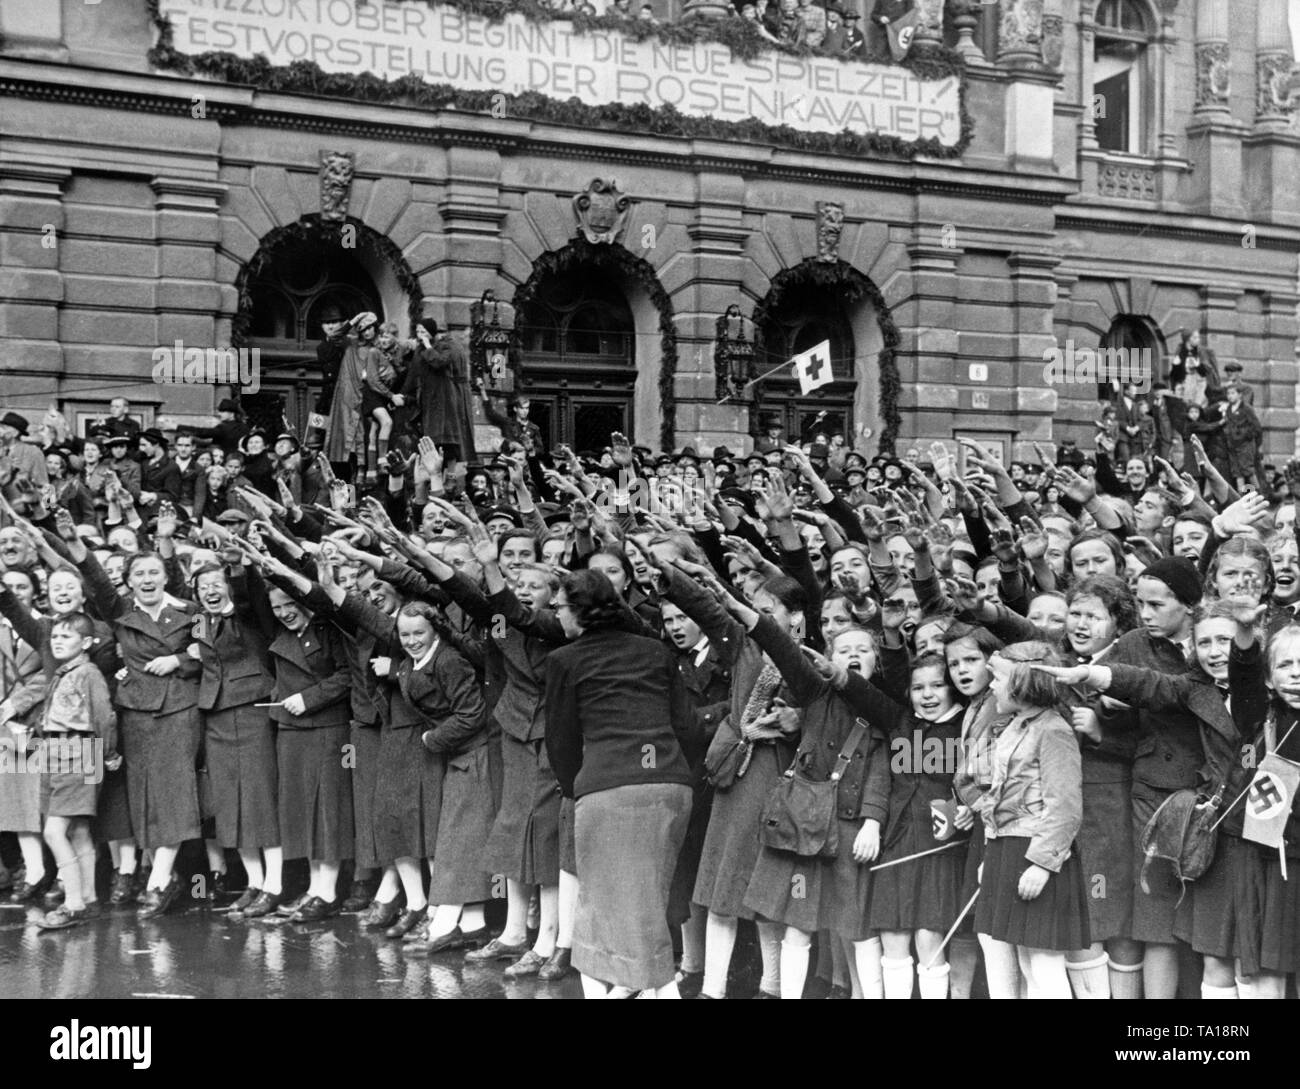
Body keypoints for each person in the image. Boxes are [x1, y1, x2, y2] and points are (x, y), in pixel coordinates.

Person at [544, 569, 694, 998]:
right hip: (671, 788)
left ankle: (653, 990)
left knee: (598, 915)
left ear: (579, 612)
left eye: (559, 609)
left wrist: (579, 787)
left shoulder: (563, 660)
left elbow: (561, 742)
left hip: (609, 793)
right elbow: (685, 725)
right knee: (646, 909)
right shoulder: (655, 651)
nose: (557, 618)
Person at [974, 643, 1088, 998]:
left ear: (1023, 683)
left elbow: (1065, 806)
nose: (991, 686)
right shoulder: (1013, 726)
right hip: (1007, 850)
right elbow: (999, 793)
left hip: (1036, 855)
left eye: (998, 679)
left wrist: (1041, 865)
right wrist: (990, 853)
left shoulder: (1054, 730)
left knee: (1042, 963)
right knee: (1024, 960)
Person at [33, 612, 120, 930]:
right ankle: (88, 897)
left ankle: (73, 903)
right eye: (54, 636)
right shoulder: (63, 672)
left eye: (66, 636)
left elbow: (104, 718)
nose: (57, 641)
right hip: (56, 754)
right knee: (79, 831)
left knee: (53, 832)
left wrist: (108, 752)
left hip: (79, 755)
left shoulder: (88, 674)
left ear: (86, 643)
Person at [401, 319, 477, 475]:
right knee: (431, 438)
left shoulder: (447, 347)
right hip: (430, 399)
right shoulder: (421, 349)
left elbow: (438, 362)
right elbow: (414, 373)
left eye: (424, 332)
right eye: (418, 332)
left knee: (447, 439)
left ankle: (448, 476)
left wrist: (428, 346)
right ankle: (429, 475)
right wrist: (403, 394)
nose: (420, 336)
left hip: (444, 399)